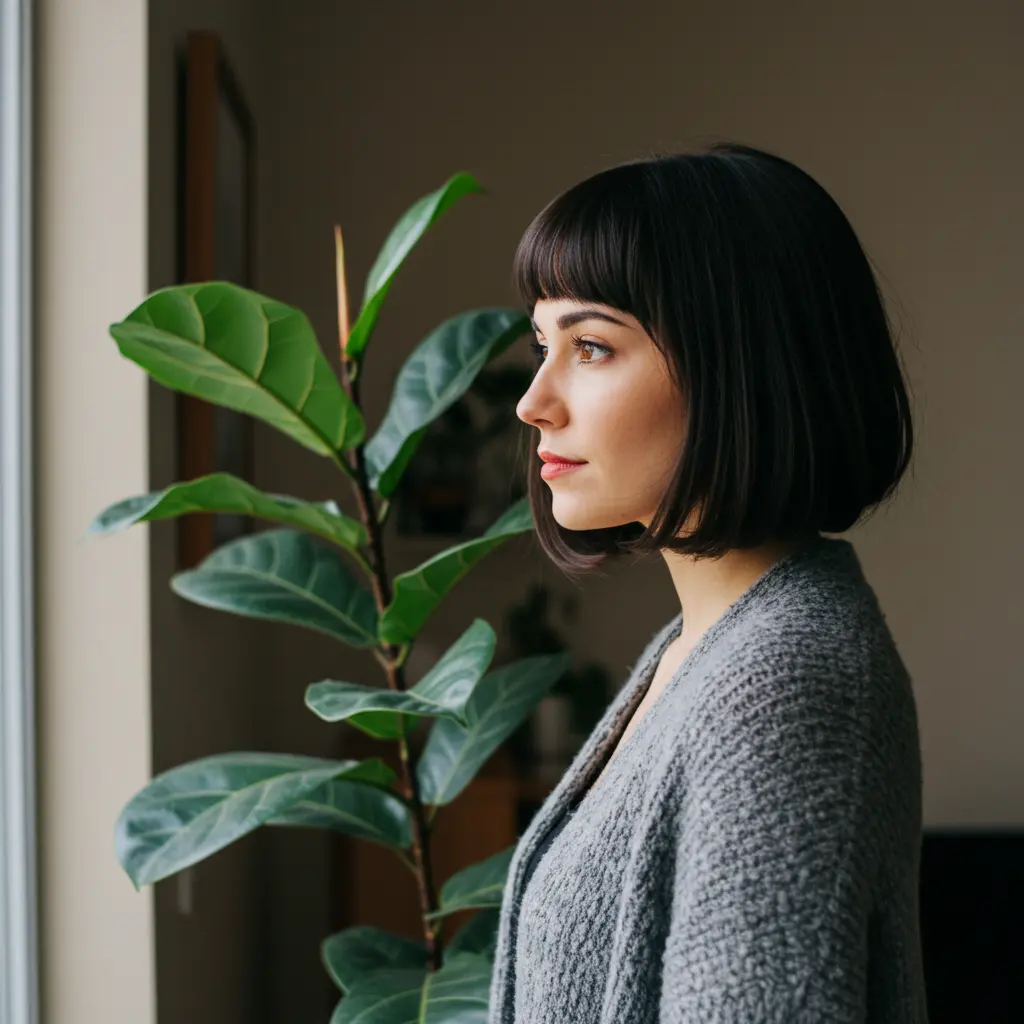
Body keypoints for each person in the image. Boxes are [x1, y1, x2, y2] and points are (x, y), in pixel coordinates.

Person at [487, 142, 928, 1023]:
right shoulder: (704, 646)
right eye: (544, 344)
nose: (534, 399)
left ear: (740, 367)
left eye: (593, 346)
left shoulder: (785, 686)